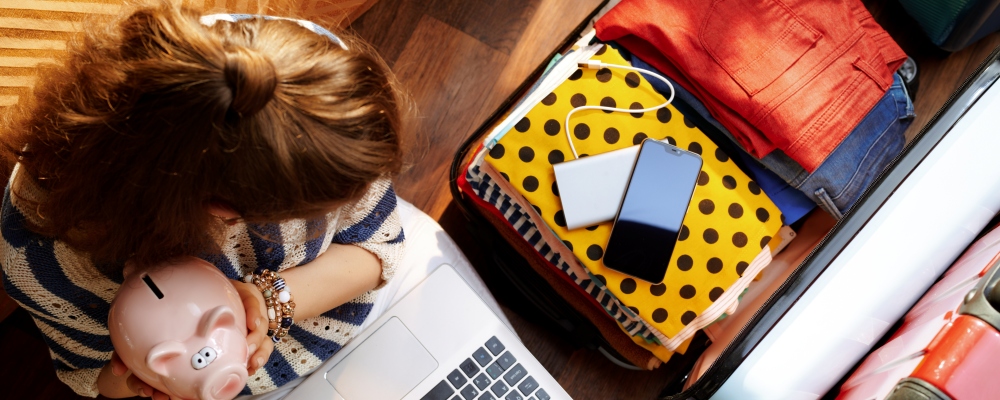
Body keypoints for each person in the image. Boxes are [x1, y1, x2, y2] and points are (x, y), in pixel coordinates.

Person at [0, 2, 412, 398]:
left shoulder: (286, 77)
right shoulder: (42, 260)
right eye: (313, 213)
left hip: (350, 315)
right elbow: (90, 376)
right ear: (226, 212)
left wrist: (265, 304)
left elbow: (379, 246)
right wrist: (140, 375)